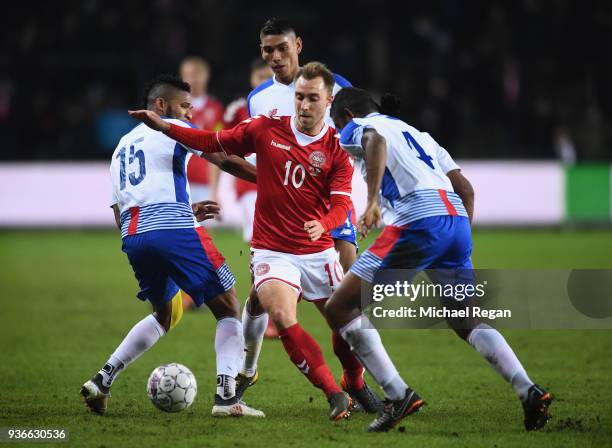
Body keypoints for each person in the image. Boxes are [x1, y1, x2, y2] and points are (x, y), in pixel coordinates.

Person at [129, 62, 363, 421]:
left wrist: (332, 222)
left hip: (316, 236)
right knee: (275, 305)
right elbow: (215, 142)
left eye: (310, 98)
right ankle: (325, 390)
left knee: (344, 317)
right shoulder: (255, 114)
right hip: (266, 219)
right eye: (298, 97)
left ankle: (361, 383)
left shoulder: (336, 142)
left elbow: (342, 199)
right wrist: (166, 128)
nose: (301, 103)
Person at [324, 87, 553, 432]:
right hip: (455, 220)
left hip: (417, 220)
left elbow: (373, 141)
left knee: (339, 307)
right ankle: (529, 390)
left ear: (345, 117)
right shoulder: (420, 135)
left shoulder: (360, 127)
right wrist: (457, 244)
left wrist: (371, 200)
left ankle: (397, 394)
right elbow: (466, 189)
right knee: (465, 319)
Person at [80, 75, 264, 418]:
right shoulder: (170, 128)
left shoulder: (121, 147)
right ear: (161, 106)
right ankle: (227, 399)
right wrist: (276, 181)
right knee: (227, 307)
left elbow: (120, 211)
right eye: (184, 107)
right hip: (174, 231)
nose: (189, 116)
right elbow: (225, 160)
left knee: (165, 314)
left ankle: (102, 381)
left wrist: (185, 211)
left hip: (134, 237)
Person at [237, 19, 381, 413]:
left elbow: (364, 145)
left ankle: (356, 382)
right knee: (261, 299)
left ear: (298, 45)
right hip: (284, 222)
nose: (276, 57)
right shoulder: (257, 100)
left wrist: (366, 199)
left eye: (282, 48)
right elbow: (257, 162)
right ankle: (246, 368)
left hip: (334, 209)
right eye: (268, 51)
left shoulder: (336, 85)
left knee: (351, 299)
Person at [222, 59, 273, 243]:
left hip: (282, 182)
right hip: (250, 181)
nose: (264, 81)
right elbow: (224, 145)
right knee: (257, 235)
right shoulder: (237, 110)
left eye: (269, 77)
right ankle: (260, 270)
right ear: (252, 79)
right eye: (261, 77)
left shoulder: (289, 105)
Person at [179, 56, 225, 204]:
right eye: (187, 75)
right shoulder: (174, 108)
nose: (191, 79)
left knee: (202, 227)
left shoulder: (216, 109)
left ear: (206, 76)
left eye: (195, 74)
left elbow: (218, 150)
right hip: (177, 181)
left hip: (202, 183)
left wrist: (214, 190)